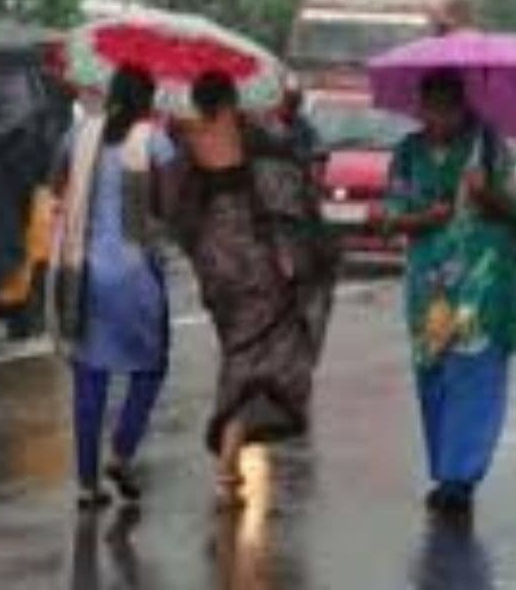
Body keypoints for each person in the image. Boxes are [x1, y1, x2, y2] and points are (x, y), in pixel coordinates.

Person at [172, 71, 326, 509]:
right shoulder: (253, 135)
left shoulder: (186, 138)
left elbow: (175, 206)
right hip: (253, 257)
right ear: (230, 100)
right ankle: (228, 459)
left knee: (238, 351)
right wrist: (295, 254)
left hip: (213, 261)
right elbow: (285, 195)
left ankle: (231, 458)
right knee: (265, 350)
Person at [376, 69, 516, 516]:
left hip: (482, 282)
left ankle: (461, 476)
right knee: (435, 375)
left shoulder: (490, 146)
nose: (438, 117)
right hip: (430, 287)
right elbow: (390, 219)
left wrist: (489, 193)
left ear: (462, 106)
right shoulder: (407, 152)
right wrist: (428, 217)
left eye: (447, 107)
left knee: (475, 373)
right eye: (430, 107)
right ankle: (444, 469)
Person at [50, 67, 176, 511]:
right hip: (135, 272)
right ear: (148, 99)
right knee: (151, 366)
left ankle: (86, 485)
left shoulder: (80, 135)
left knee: (90, 376)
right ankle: (121, 451)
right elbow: (167, 205)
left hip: (82, 269)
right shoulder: (155, 142)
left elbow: (56, 185)